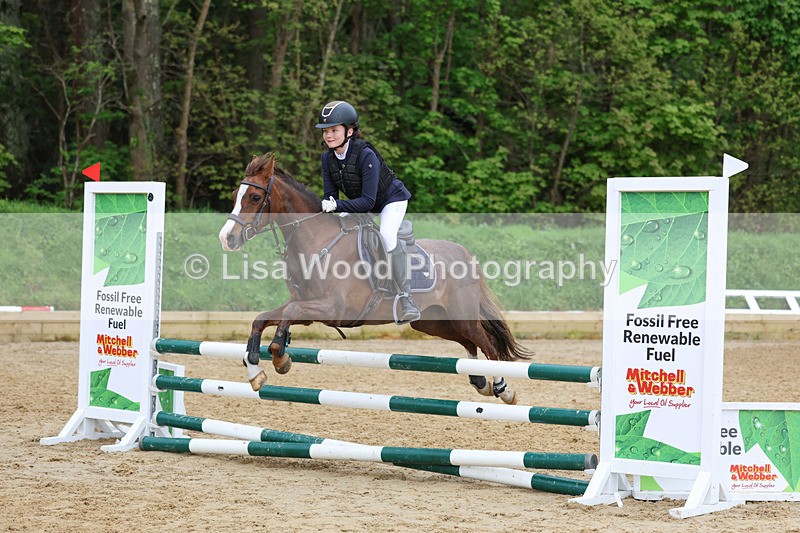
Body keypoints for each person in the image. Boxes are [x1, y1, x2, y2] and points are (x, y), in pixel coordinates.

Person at [315, 100, 420, 324]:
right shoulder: (327, 159)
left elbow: (368, 202)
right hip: (362, 203)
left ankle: (406, 297)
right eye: (325, 131)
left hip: (390, 200)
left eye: (334, 130)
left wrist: (336, 206)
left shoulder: (366, 155)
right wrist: (326, 206)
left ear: (349, 131)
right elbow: (330, 196)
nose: (328, 135)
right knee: (341, 231)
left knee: (387, 235)